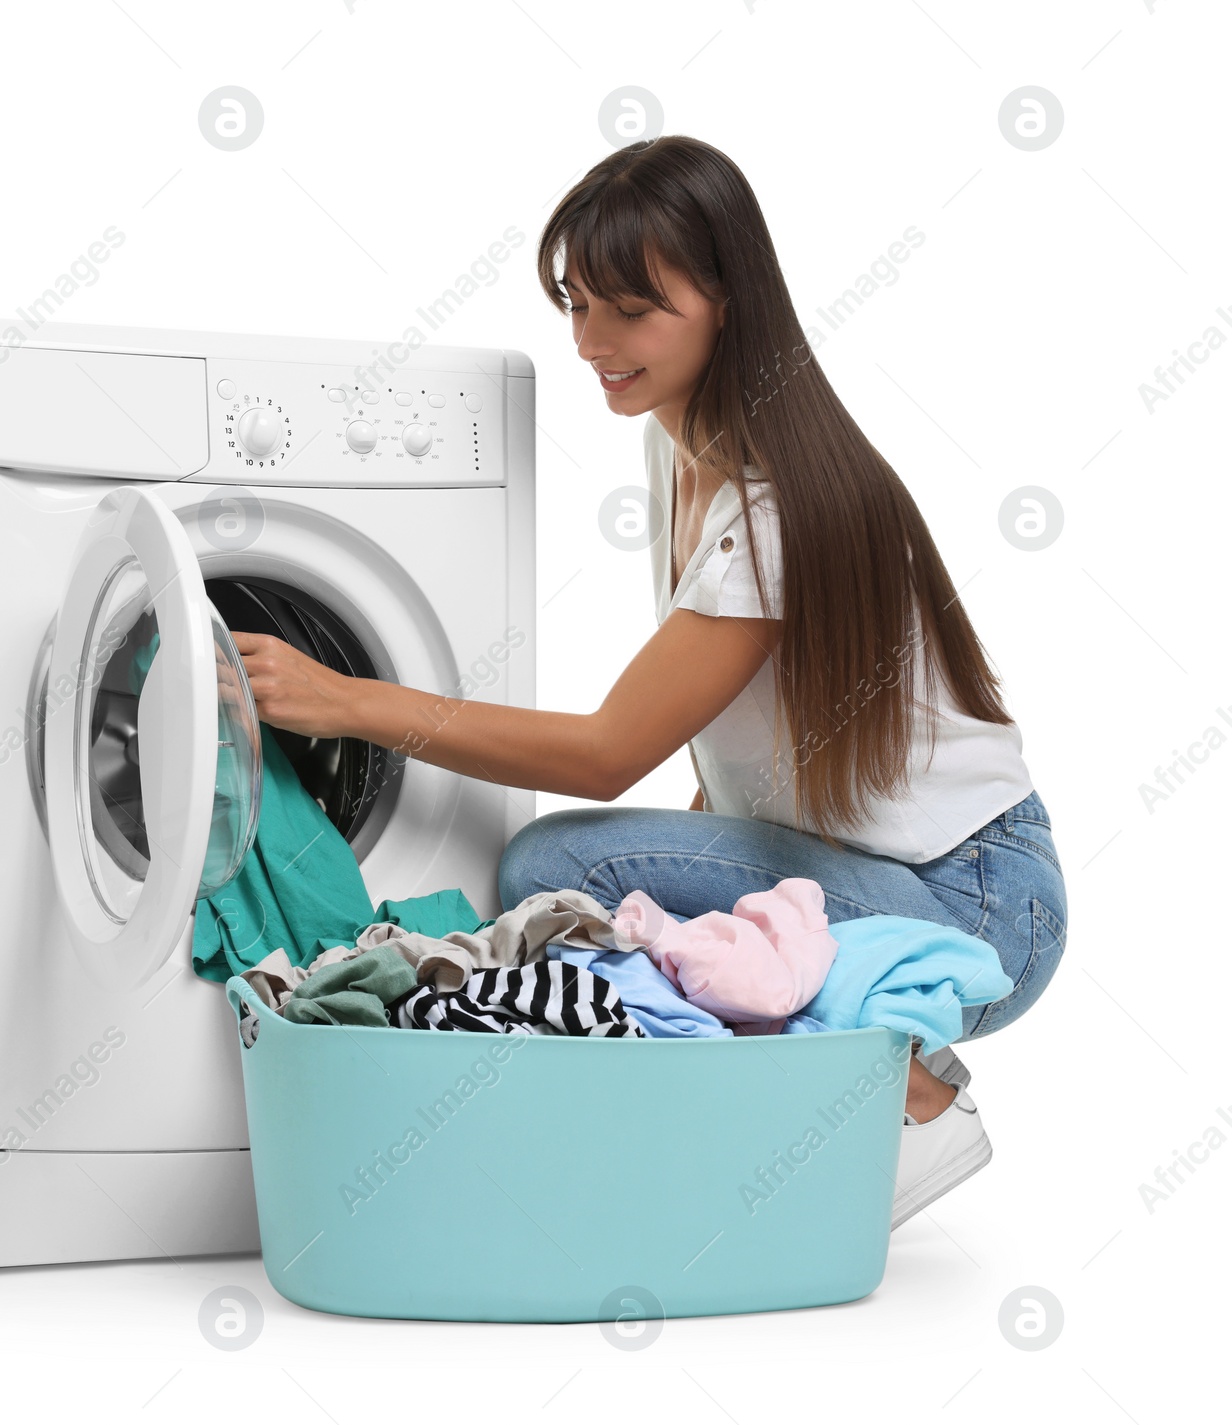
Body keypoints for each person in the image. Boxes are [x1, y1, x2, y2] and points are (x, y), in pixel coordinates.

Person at [231, 135, 1068, 1229]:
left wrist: (344, 701)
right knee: (614, 899)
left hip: (976, 905)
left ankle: (915, 1097)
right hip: (896, 874)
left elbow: (607, 749)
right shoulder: (686, 451)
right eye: (575, 303)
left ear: (726, 299)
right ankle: (777, 1089)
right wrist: (690, 870)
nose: (592, 342)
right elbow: (736, 732)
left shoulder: (774, 511)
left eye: (630, 309)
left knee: (555, 861)